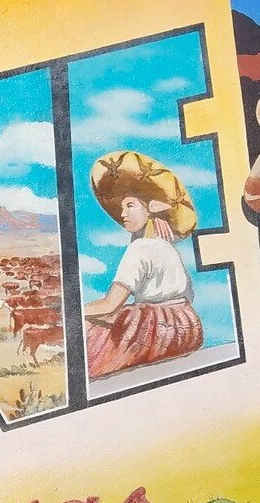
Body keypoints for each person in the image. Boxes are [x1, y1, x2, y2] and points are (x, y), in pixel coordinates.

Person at [84, 150, 204, 379]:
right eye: (121, 208)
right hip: (188, 327)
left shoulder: (138, 249)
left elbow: (111, 304)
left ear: (152, 208)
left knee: (88, 337)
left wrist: (73, 313)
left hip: (154, 331)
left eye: (130, 205)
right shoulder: (167, 247)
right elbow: (188, 295)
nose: (122, 213)